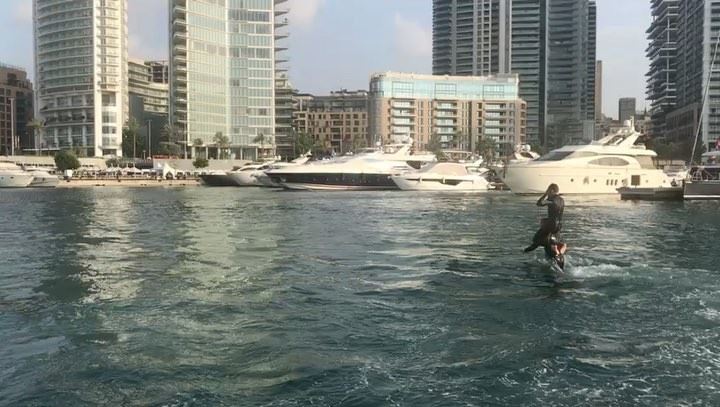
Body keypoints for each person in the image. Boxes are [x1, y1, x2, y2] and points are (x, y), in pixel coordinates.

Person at [524, 183, 566, 261]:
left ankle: (524, 252)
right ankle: (557, 251)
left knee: (536, 239)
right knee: (553, 241)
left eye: (548, 191)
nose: (548, 193)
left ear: (552, 190)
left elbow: (539, 203)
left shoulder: (552, 199)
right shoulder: (561, 200)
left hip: (551, 225)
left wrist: (545, 195)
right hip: (559, 226)